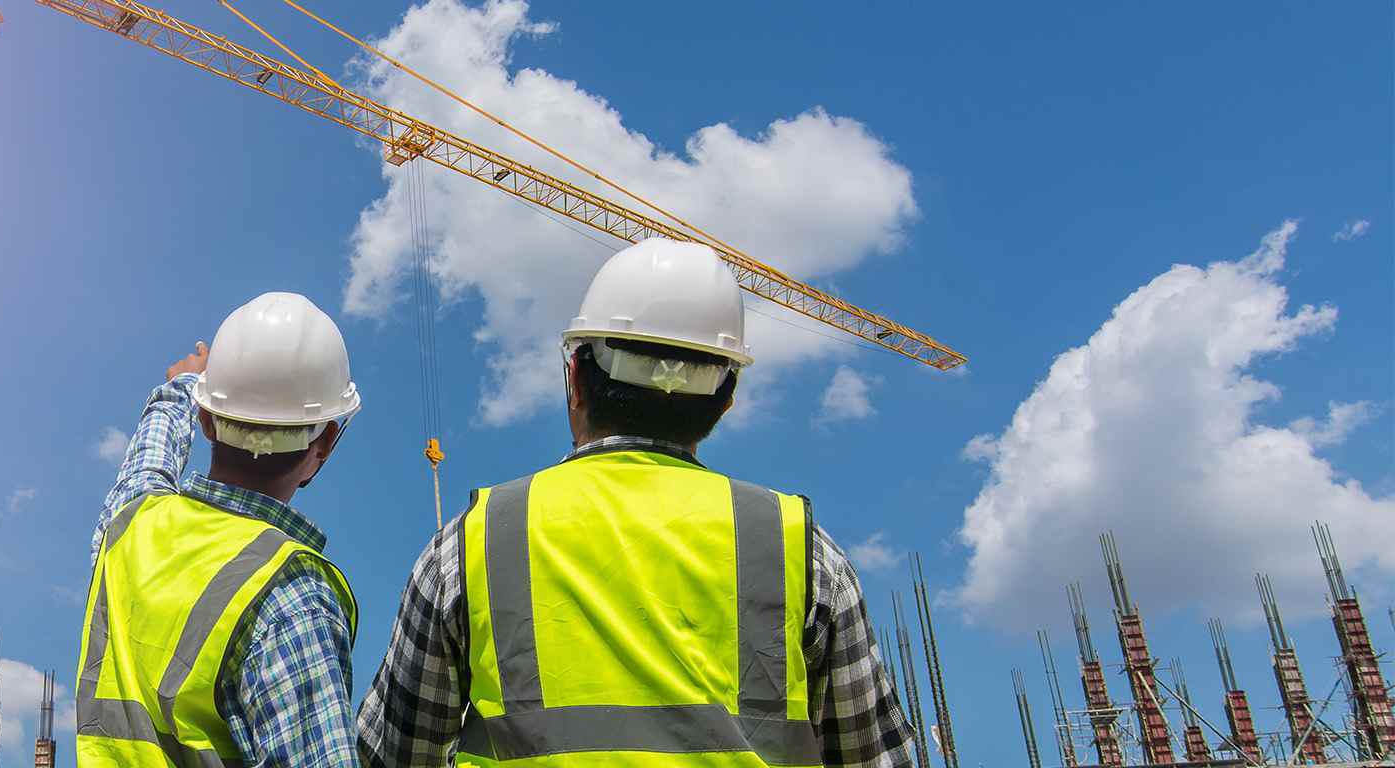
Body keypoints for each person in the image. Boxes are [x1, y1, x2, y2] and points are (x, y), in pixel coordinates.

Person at [356, 239, 916, 767]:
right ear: (726, 399)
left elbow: (389, 756)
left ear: (575, 378)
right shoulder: (799, 549)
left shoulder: (471, 544)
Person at [77, 292, 364, 767]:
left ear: (206, 420)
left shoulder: (132, 528)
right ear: (325, 444)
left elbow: (147, 462)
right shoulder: (291, 596)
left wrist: (186, 383)